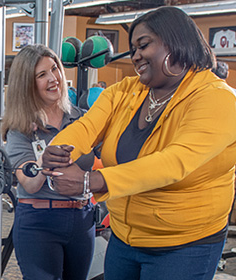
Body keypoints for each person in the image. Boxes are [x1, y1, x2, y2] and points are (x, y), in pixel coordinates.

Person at [41, 6, 236, 280]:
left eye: (143, 45)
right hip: (124, 236)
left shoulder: (217, 99)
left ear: (175, 42)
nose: (135, 56)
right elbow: (86, 127)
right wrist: (59, 149)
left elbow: (174, 162)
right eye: (132, 49)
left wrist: (92, 181)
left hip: (184, 245)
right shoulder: (125, 91)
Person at [0, 44, 95, 280]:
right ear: (27, 84)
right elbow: (30, 184)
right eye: (42, 75)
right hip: (39, 222)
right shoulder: (20, 129)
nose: (53, 79)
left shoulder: (83, 119)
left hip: (82, 220)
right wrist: (46, 157)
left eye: (55, 69)